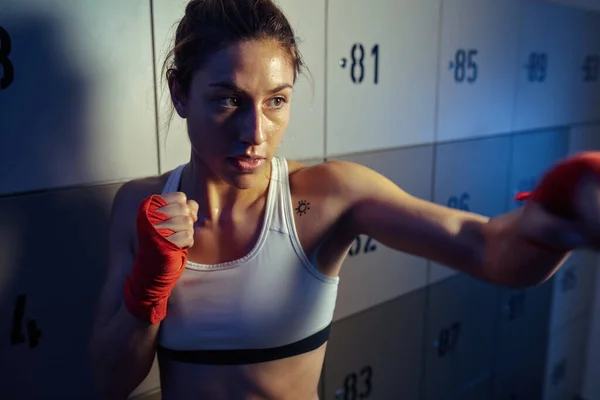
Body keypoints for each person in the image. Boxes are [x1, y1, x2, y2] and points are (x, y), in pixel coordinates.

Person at [89, 0, 600, 399]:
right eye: (228, 99)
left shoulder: (329, 195)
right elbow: (109, 383)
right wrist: (149, 287)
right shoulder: (142, 205)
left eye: (277, 101)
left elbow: (485, 247)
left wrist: (557, 216)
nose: (255, 133)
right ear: (179, 92)